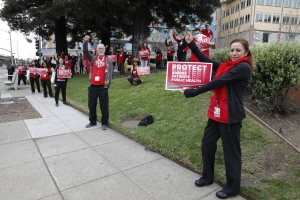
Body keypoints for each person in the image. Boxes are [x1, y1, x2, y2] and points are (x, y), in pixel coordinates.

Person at [180, 32, 255, 199]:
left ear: (246, 53)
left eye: (238, 50)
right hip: (216, 112)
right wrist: (192, 44)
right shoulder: (227, 65)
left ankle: (232, 187)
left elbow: (218, 82)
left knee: (231, 152)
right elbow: (206, 61)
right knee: (207, 144)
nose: (234, 53)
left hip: (230, 116)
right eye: (232, 50)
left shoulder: (243, 67)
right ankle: (207, 177)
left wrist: (193, 92)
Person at [83, 35, 113, 130]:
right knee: (91, 105)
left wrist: (107, 85)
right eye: (99, 48)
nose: (100, 50)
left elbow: (111, 73)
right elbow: (85, 52)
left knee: (104, 106)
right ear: (97, 49)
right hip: (93, 86)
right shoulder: (93, 58)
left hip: (103, 87)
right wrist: (85, 42)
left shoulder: (108, 60)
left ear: (104, 49)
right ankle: (92, 121)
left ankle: (104, 123)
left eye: (102, 48)